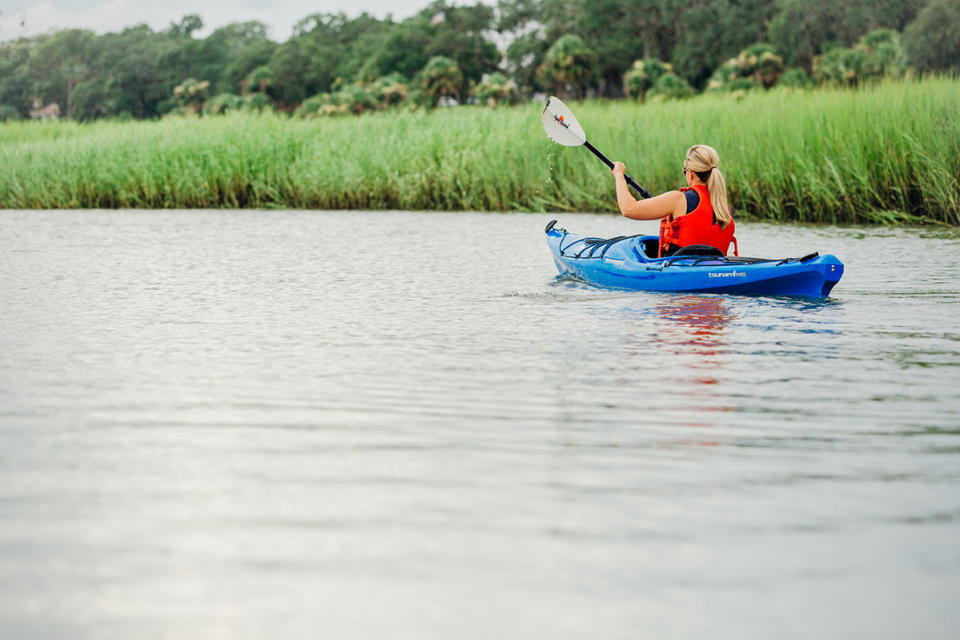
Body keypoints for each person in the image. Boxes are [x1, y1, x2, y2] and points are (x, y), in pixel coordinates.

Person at [611, 144, 736, 257]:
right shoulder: (724, 208)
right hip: (716, 271)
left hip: (679, 272)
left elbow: (628, 209)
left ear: (690, 173)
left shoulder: (678, 200)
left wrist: (619, 175)